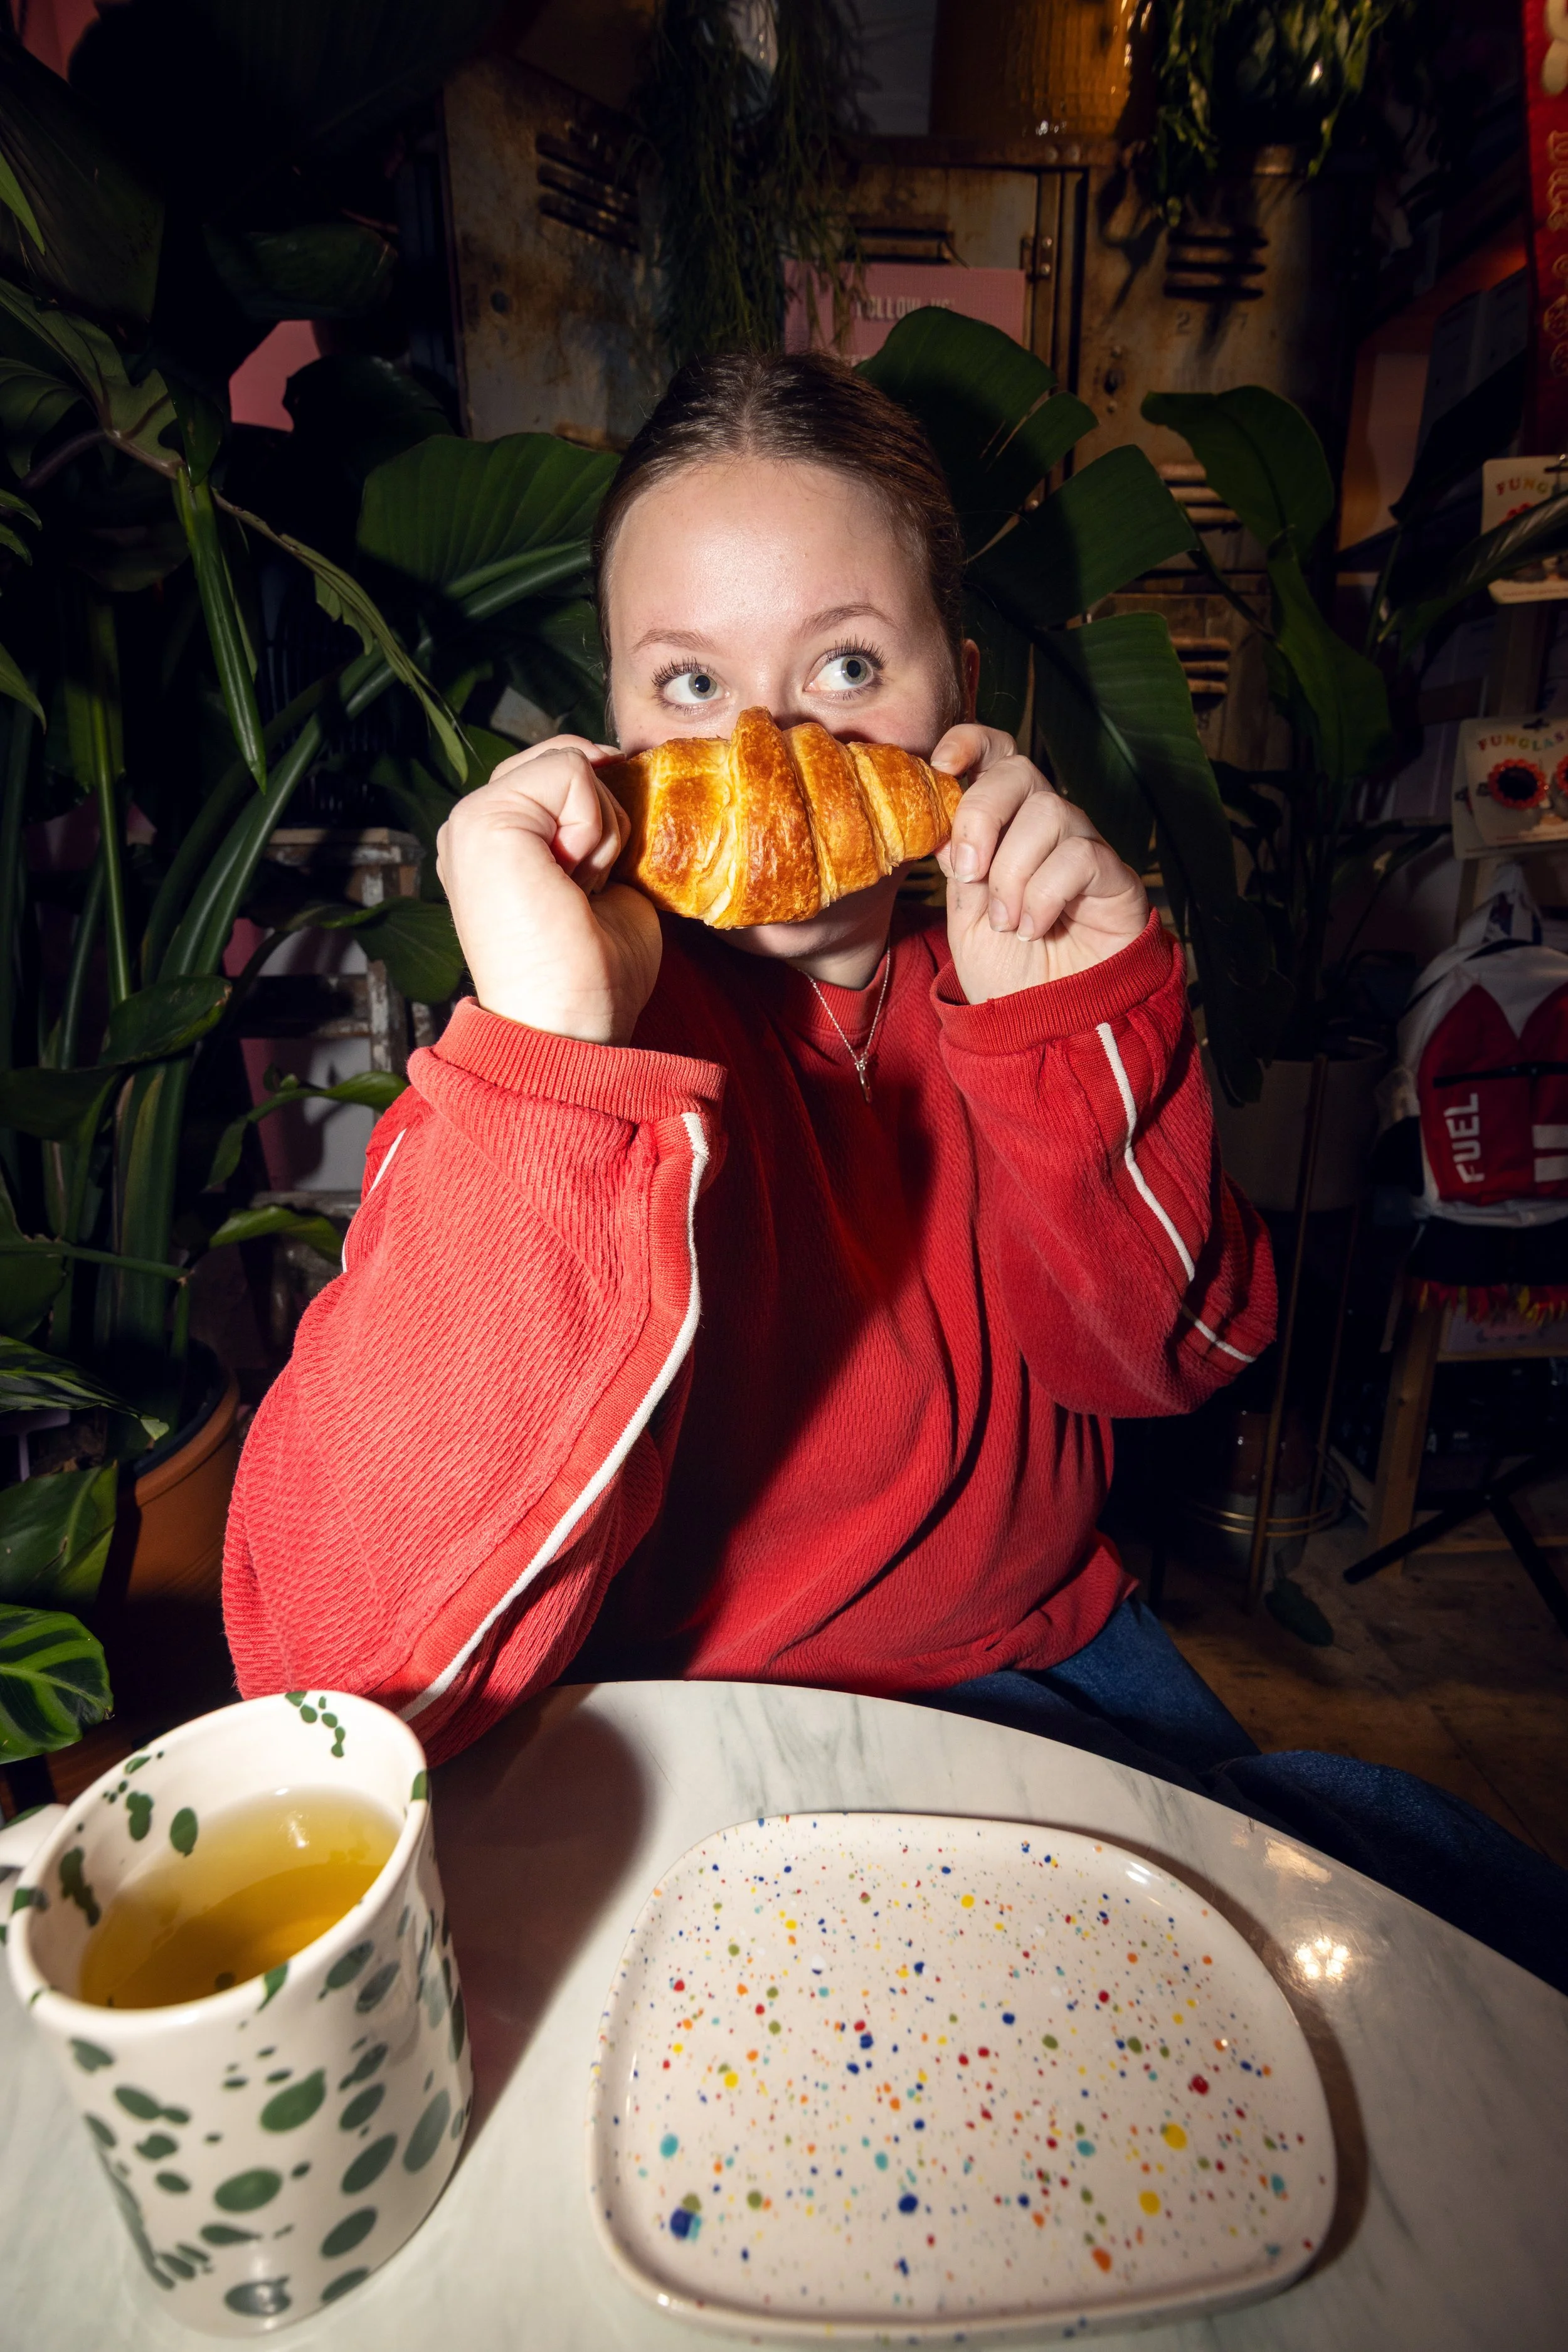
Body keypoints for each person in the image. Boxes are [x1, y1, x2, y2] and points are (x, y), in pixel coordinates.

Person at [223, 351, 1568, 1994]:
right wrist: (552, 1049)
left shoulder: (1015, 979)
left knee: (1445, 1912)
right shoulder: (570, 1040)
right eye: (691, 683)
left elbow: (1162, 1355)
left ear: (961, 684)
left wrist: (1064, 1017)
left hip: (1051, 1677)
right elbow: (324, 1664)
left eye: (845, 661)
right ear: (615, 723)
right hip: (684, 1723)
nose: (774, 740)